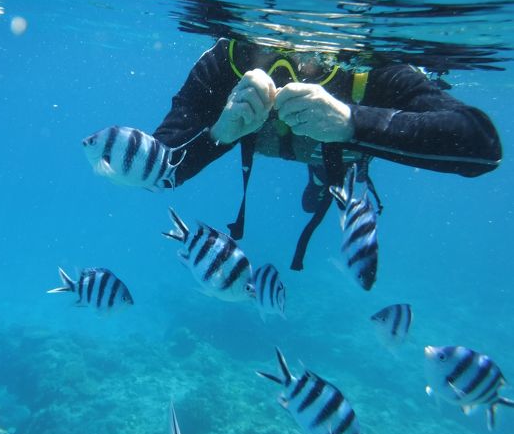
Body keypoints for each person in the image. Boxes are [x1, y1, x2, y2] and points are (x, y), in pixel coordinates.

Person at [151, 38, 502, 270]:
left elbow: (481, 145)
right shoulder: (223, 65)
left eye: (303, 55)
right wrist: (218, 134)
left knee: (330, 177)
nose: (284, 71)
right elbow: (152, 165)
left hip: (342, 156)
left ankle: (324, 174)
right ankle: (323, 173)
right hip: (299, 145)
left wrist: (352, 122)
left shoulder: (369, 67)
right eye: (267, 48)